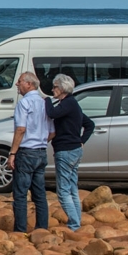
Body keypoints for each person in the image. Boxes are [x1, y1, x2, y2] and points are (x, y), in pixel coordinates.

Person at [45, 74, 95, 231]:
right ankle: (77, 222)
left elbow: (51, 113)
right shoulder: (72, 104)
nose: (52, 90)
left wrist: (45, 99)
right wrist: (81, 140)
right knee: (72, 188)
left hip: (66, 150)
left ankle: (74, 224)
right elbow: (89, 124)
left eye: (54, 87)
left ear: (62, 88)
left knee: (63, 191)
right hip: (74, 149)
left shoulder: (68, 103)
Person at [9, 72, 54, 233]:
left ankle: (20, 230)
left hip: (26, 151)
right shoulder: (44, 103)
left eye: (19, 81)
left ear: (29, 84)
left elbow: (21, 129)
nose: (17, 84)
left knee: (20, 194)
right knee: (39, 194)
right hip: (40, 151)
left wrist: (13, 153)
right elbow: (52, 131)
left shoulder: (24, 103)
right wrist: (41, 141)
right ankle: (42, 227)